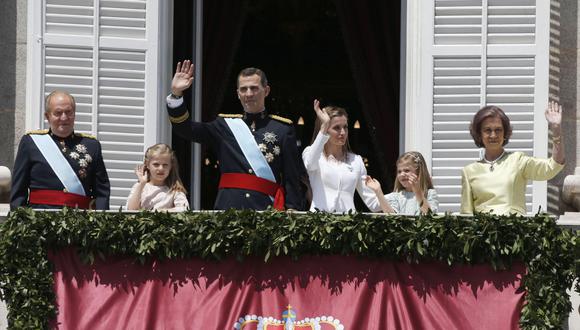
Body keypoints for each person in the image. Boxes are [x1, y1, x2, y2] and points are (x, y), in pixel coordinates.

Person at [166, 60, 305, 210]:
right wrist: (176, 94)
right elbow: (185, 129)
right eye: (244, 89)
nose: (249, 94)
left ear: (266, 90)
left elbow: (292, 177)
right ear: (238, 94)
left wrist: (293, 210)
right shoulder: (224, 125)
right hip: (229, 210)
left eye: (254, 88)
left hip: (267, 211)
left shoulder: (283, 129)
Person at [10, 91, 110, 210]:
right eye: (58, 113)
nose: (64, 118)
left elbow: (102, 192)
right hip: (40, 222)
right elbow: (18, 191)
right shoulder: (31, 143)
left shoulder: (92, 145)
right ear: (47, 116)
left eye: (69, 112)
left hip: (80, 222)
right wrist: (22, 223)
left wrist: (99, 223)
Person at [460, 102, 565, 215]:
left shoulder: (517, 160)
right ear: (479, 134)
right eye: (487, 130)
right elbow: (466, 215)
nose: (493, 135)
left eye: (498, 130)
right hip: (481, 232)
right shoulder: (469, 171)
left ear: (505, 133)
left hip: (515, 230)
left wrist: (556, 128)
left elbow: (553, 166)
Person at [302, 99, 379, 212]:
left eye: (345, 127)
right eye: (336, 128)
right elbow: (310, 164)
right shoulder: (311, 153)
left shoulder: (356, 160)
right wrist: (324, 126)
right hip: (319, 223)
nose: (342, 132)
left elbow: (372, 202)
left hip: (347, 223)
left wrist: (400, 197)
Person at [365, 151, 439, 215]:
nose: (402, 174)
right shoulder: (396, 196)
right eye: (399, 171)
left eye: (407, 170)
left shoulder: (430, 193)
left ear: (419, 173)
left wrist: (417, 192)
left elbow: (430, 216)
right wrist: (378, 191)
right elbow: (392, 218)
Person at [125, 144, 189, 212]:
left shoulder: (175, 189)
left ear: (171, 167)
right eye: (156, 164)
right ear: (147, 165)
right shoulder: (140, 187)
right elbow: (130, 210)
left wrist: (158, 212)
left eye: (165, 165)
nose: (161, 168)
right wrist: (142, 184)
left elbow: (184, 209)